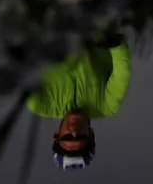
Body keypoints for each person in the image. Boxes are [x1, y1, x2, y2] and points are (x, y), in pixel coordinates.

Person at [25, 32, 132, 171]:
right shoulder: (106, 106)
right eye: (81, 137)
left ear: (57, 134)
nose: (74, 132)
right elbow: (122, 75)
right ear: (91, 134)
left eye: (68, 137)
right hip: (95, 27)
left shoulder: (40, 105)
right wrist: (116, 46)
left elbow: (22, 71)